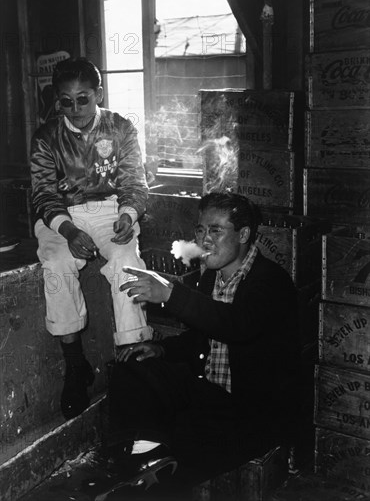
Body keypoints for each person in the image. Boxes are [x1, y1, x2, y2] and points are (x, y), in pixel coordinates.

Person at [105, 191, 301, 496]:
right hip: (209, 395)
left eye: (216, 230)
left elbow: (237, 325)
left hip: (249, 414)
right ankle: (143, 462)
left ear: (244, 234)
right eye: (200, 230)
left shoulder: (271, 281)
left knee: (183, 441)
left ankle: (150, 470)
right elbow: (202, 336)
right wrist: (162, 349)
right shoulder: (211, 277)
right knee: (131, 366)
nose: (204, 240)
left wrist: (172, 294)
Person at [30, 57, 152, 421]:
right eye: (66, 101)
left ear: (98, 93)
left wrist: (128, 217)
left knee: (124, 263)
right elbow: (43, 195)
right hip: (59, 218)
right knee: (56, 264)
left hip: (110, 210)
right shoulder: (46, 136)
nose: (76, 108)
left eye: (83, 98)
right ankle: (74, 365)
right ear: (57, 101)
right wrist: (67, 230)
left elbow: (134, 182)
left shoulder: (120, 128)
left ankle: (133, 361)